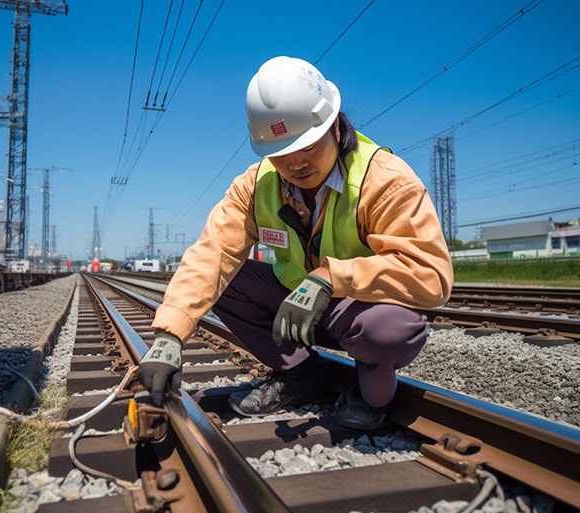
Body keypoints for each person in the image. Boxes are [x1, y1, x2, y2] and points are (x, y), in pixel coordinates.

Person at [138, 56, 453, 429]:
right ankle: (301, 373)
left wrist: (330, 278)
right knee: (226, 279)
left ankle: (369, 387)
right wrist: (169, 335)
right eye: (281, 154)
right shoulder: (256, 185)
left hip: (356, 311)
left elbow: (432, 275)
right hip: (294, 311)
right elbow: (213, 252)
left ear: (335, 127)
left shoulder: (385, 180)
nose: (296, 164)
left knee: (390, 329)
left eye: (308, 147)